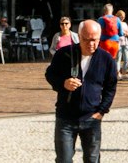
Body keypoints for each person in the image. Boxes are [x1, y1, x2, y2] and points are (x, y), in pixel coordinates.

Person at [44, 18, 118, 163]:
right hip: (66, 117)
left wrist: (102, 111)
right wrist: (63, 83)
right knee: (63, 159)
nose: (91, 44)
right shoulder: (64, 54)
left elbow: (111, 87)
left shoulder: (106, 59)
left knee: (92, 159)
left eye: (95, 40)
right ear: (79, 36)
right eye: (86, 39)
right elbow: (50, 75)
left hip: (91, 118)